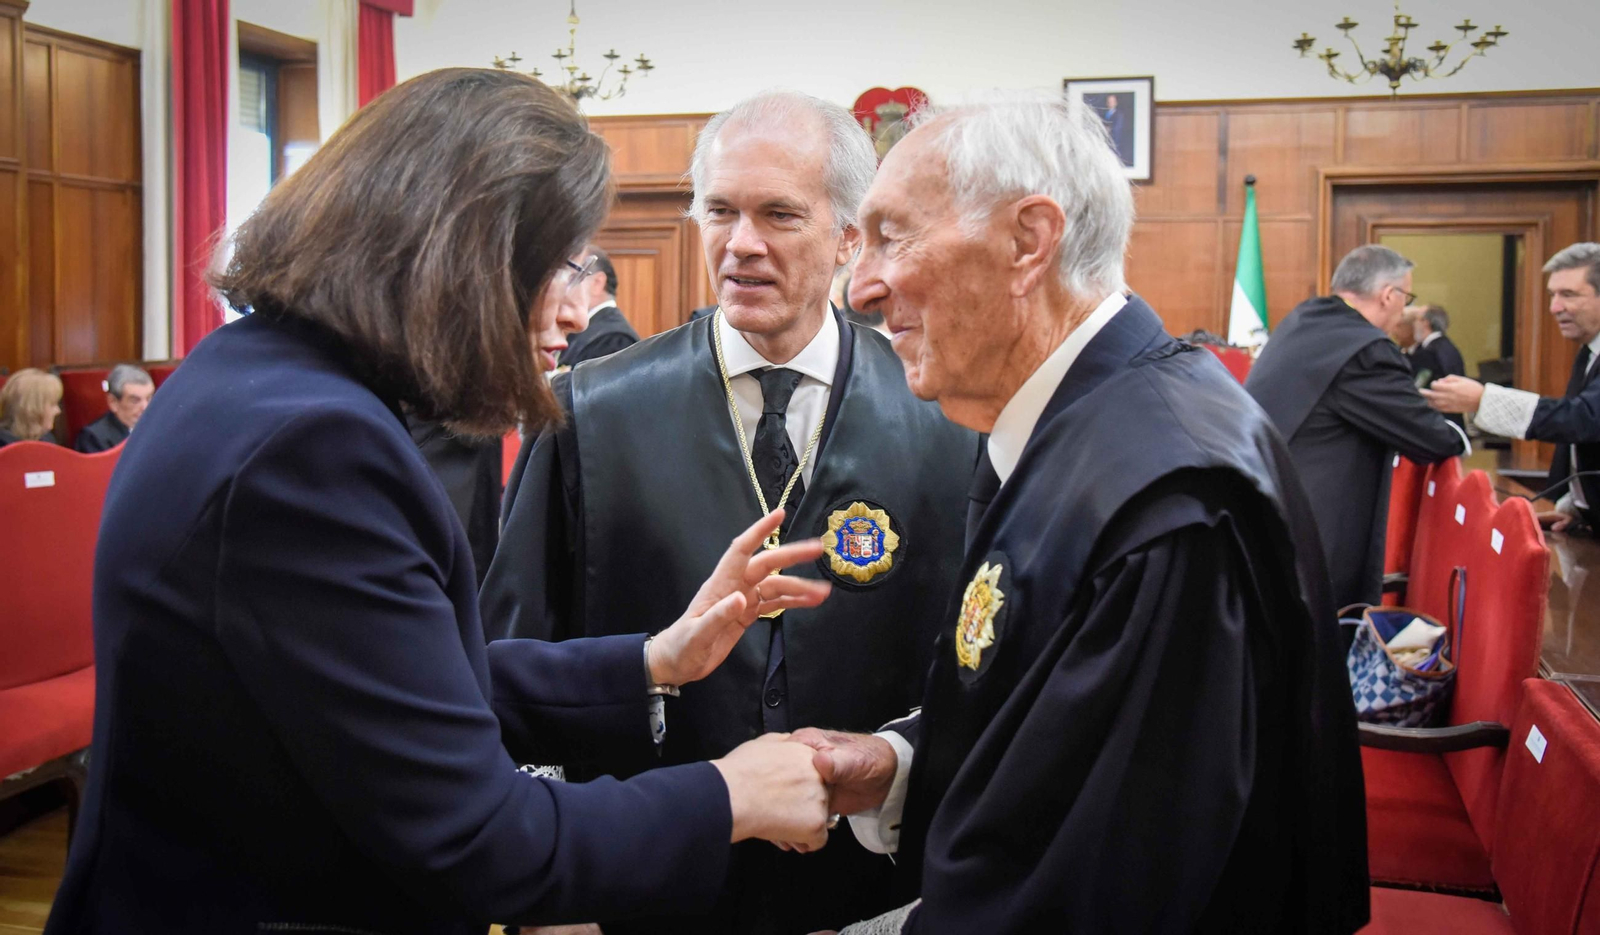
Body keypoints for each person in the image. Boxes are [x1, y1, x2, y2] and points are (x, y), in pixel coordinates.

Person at [44, 68, 838, 935]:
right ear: (467, 256)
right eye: (555, 268)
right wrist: (729, 793)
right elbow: (483, 842)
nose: (573, 313)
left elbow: (398, 681)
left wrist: (651, 659)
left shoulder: (256, 374)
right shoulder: (313, 451)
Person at [796, 90, 1367, 935]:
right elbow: (1053, 727)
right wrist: (901, 762)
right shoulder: (1083, 426)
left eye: (892, 235)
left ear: (1029, 241)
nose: (861, 286)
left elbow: (1094, 891)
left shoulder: (1167, 503)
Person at [480, 90, 979, 935]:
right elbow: (514, 648)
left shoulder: (949, 417)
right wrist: (547, 900)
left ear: (849, 237)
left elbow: (977, 671)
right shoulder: (588, 413)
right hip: (645, 888)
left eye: (779, 214)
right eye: (720, 211)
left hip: (873, 892)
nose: (741, 244)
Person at [1245, 245, 1467, 608]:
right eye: (1406, 297)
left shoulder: (1303, 321)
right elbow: (1433, 439)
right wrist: (1463, 415)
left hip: (1265, 517)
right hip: (1311, 541)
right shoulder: (1365, 350)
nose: (1404, 310)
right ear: (1388, 295)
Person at [411, 254, 596, 588]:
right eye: (564, 270)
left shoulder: (475, 418)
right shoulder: (353, 436)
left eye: (581, 274)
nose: (579, 317)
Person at [1423, 242, 1600, 531]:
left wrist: (1484, 400)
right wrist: (1579, 509)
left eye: (1568, 295)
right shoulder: (1588, 351)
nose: (1555, 307)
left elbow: (1583, 419)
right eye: (1552, 295)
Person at [558, 245, 641, 369]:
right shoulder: (587, 330)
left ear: (597, 283)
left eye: (573, 278)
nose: (562, 287)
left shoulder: (613, 339)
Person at [74, 363, 154, 453]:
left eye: (149, 398)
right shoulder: (93, 438)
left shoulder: (158, 427)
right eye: (135, 400)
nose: (145, 407)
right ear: (113, 402)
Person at [0, 368, 63, 447]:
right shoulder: (4, 446)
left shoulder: (47, 439)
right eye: (52, 404)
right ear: (32, 408)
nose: (58, 411)